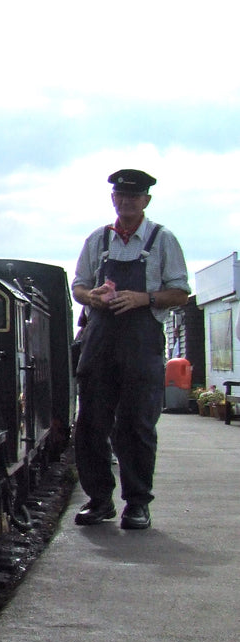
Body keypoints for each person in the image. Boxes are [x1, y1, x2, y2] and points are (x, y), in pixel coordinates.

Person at [70, 169, 190, 530]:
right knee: (90, 423)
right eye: (120, 197)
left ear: (146, 201)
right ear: (113, 199)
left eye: (134, 198)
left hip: (142, 344)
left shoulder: (162, 240)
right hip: (100, 342)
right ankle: (99, 500)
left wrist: (143, 298)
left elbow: (180, 293)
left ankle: (137, 503)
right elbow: (79, 286)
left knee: (136, 425)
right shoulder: (98, 240)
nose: (126, 203)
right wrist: (92, 296)